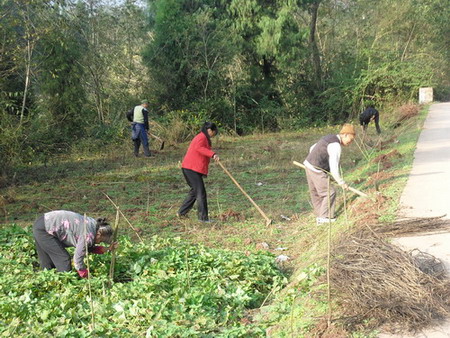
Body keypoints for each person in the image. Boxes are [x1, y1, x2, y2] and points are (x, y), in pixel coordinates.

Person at [33, 210, 118, 278]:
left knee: (47, 262)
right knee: (64, 259)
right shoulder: (88, 235)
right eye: (101, 240)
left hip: (42, 222)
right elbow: (77, 260)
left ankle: (48, 282)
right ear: (99, 234)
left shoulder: (92, 225)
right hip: (45, 229)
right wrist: (85, 275)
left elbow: (89, 248)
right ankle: (64, 284)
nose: (100, 242)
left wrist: (108, 249)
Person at [303, 124, 356, 224]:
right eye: (351, 139)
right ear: (345, 135)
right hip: (316, 169)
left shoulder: (329, 137)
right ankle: (325, 217)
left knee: (316, 193)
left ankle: (320, 215)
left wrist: (313, 160)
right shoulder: (335, 146)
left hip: (308, 165)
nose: (350, 143)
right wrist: (341, 182)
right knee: (329, 192)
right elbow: (334, 168)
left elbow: (312, 147)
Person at [178, 122, 220, 222]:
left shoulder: (204, 137)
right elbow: (199, 148)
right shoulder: (201, 137)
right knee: (201, 193)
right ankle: (203, 218)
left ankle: (181, 212)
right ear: (210, 130)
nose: (213, 135)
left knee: (194, 192)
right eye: (214, 132)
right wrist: (212, 154)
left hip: (192, 168)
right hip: (191, 168)